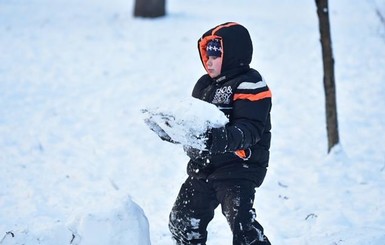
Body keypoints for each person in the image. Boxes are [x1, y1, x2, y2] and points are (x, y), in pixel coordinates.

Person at [168, 22, 272, 245]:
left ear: (234, 54)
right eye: (206, 54)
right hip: (204, 166)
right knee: (183, 219)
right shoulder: (204, 85)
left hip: (238, 169)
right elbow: (194, 122)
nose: (208, 60)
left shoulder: (250, 84)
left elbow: (250, 130)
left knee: (242, 226)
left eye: (215, 55)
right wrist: (175, 130)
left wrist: (217, 139)